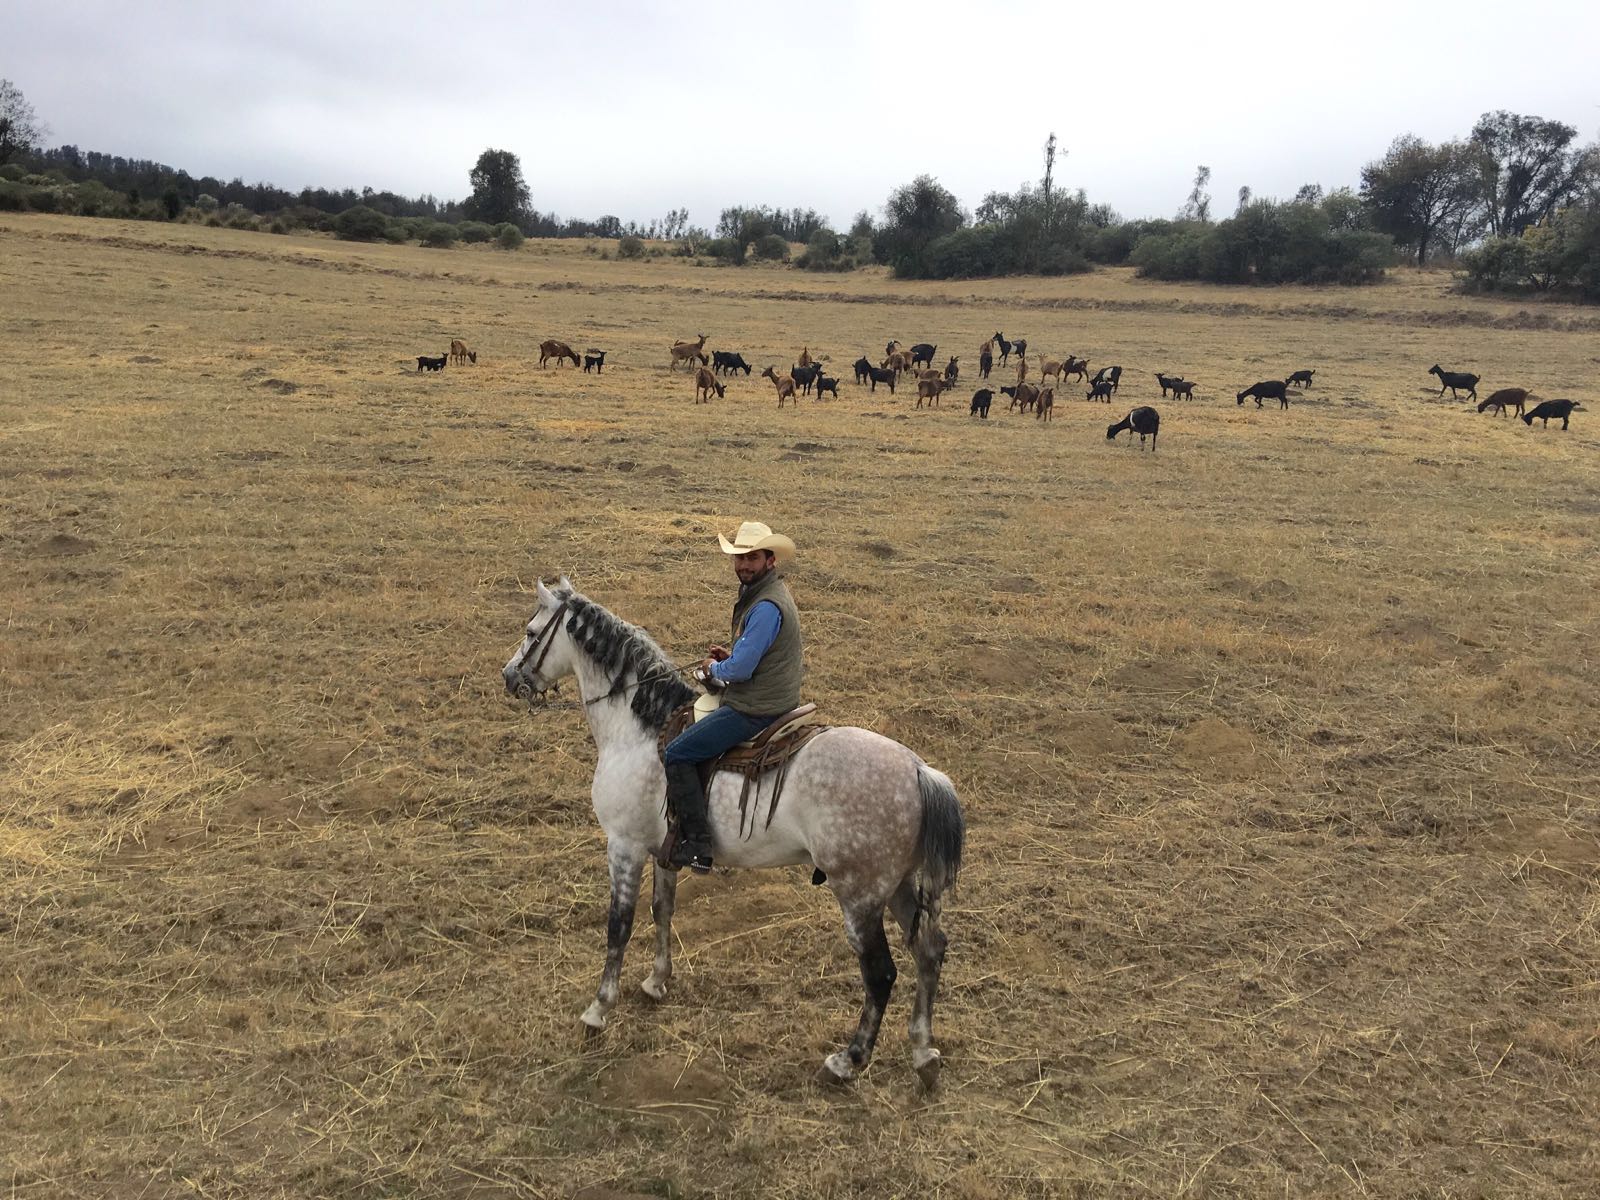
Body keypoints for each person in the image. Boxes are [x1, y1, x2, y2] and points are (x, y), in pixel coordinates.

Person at [662, 521, 804, 872]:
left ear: (770, 560)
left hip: (756, 707)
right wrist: (733, 657)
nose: (744, 565)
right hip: (774, 694)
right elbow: (753, 656)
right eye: (740, 558)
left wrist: (714, 670)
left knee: (677, 753)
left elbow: (740, 671)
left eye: (752, 558)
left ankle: (698, 845)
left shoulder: (766, 606)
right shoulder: (764, 594)